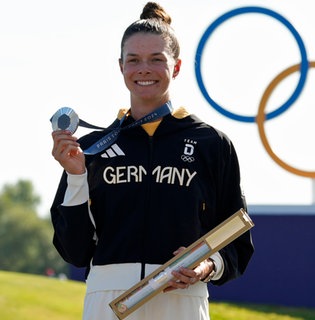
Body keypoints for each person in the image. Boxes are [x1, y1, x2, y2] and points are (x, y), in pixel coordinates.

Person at [50, 3, 254, 319]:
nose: (144, 69)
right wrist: (76, 177)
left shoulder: (212, 144)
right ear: (120, 67)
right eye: (134, 60)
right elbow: (75, 251)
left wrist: (206, 266)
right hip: (107, 302)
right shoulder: (90, 149)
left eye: (156, 60)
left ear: (176, 66)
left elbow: (236, 235)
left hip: (182, 299)